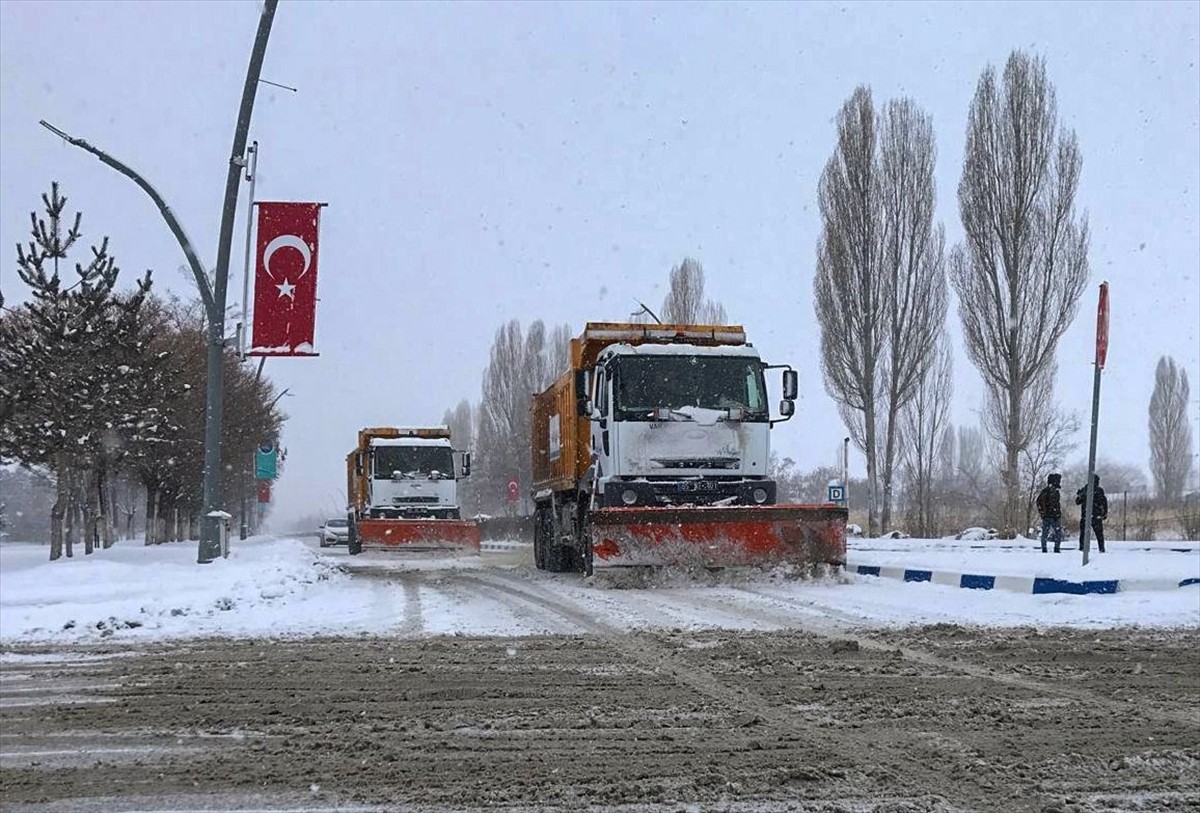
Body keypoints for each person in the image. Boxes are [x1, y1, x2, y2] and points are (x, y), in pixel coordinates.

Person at [1074, 473, 1108, 553]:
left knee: (1085, 534)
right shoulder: (1097, 490)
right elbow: (1104, 503)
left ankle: (1082, 548)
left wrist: (1080, 495)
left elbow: (1078, 501)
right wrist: (1104, 513)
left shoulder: (1087, 489)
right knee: (1098, 535)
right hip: (1094, 516)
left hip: (1088, 515)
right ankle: (1101, 549)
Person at [1035, 472, 1063, 553]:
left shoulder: (1046, 491)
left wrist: (1042, 513)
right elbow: (1055, 504)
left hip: (1048, 516)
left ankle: (1045, 548)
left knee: (1045, 533)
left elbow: (1039, 502)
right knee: (1057, 533)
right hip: (1052, 516)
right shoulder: (1052, 491)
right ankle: (1056, 548)